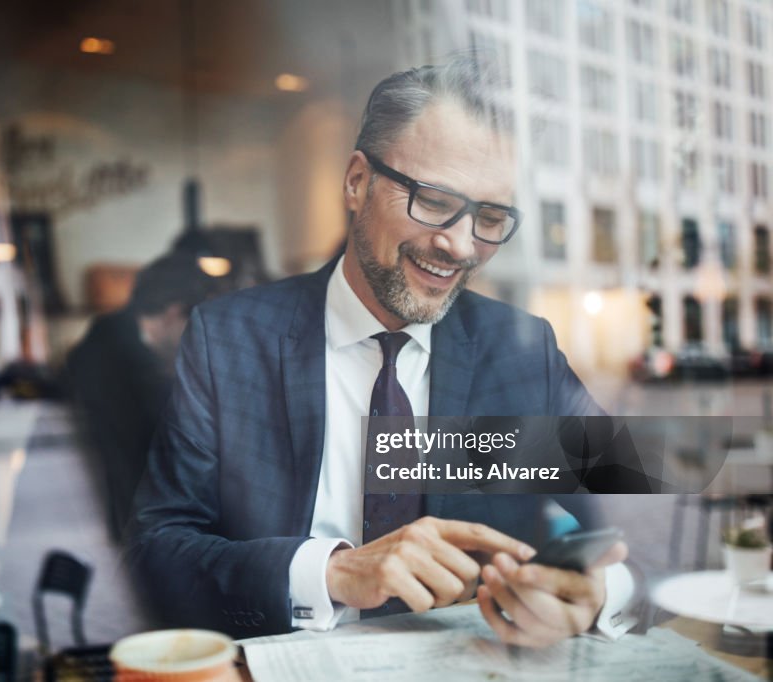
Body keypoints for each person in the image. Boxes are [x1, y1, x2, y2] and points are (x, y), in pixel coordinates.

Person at [128, 57, 634, 644]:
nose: (461, 245)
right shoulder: (229, 340)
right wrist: (331, 572)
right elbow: (156, 549)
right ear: (356, 181)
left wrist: (594, 593)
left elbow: (620, 527)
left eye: (491, 216)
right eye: (436, 201)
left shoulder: (522, 350)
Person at [67, 251, 214, 542]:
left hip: (95, 521)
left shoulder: (104, 341)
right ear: (174, 313)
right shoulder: (130, 368)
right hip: (115, 533)